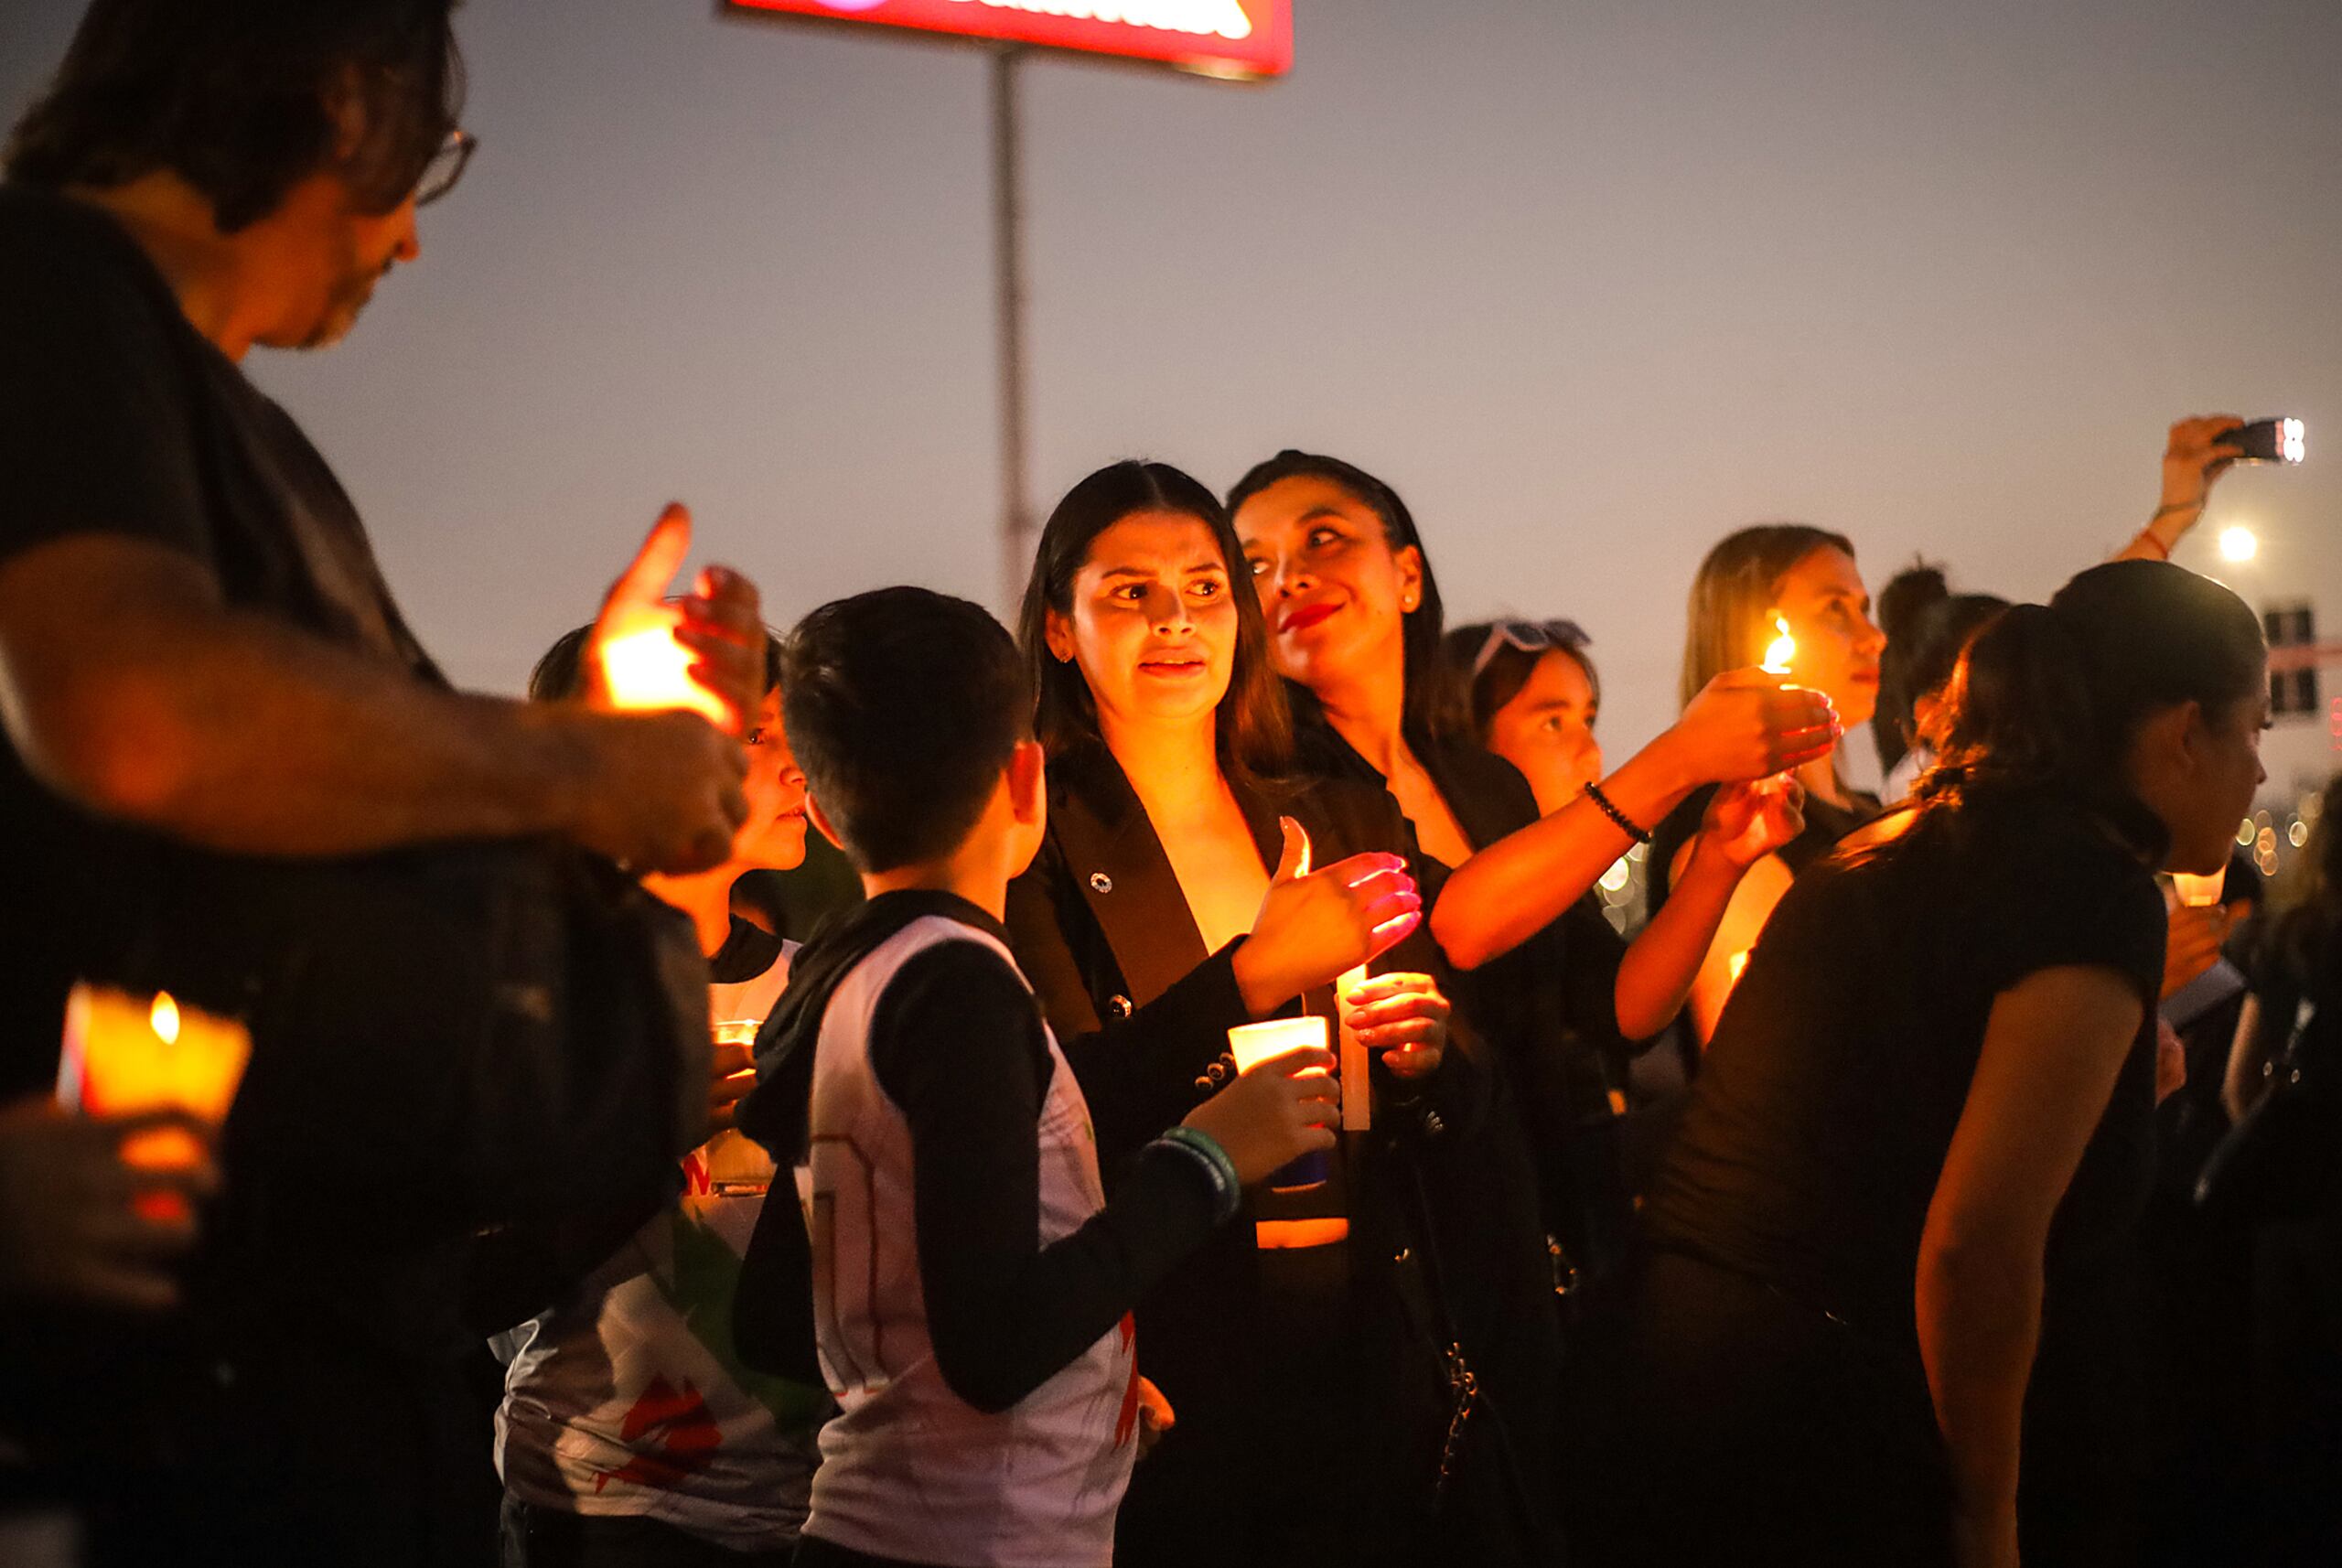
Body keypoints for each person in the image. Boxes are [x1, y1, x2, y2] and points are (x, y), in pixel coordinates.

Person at [0, 4, 763, 1560]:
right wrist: (570, 762)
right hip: (154, 1429)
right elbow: (138, 706)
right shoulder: (49, 288)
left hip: (313, 1391)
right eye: (430, 165)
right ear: (344, 111)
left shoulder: (233, 425)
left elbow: (329, 798)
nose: (411, 241)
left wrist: (624, 740)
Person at [1562, 559, 2269, 1568]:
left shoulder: (1906, 842)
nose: (2253, 772)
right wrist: (1985, 1518)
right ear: (2184, 732)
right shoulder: (2088, 886)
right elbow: (1974, 1247)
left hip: (1669, 1374)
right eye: (2252, 733)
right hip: (1808, 1432)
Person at [734, 586, 1338, 1568]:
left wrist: (1082, 1371)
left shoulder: (847, 979)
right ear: (1025, 779)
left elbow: (776, 1314)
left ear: (825, 813)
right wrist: (1210, 1154)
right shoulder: (959, 985)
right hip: (969, 1546)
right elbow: (994, 1347)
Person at [1001, 461, 1534, 1566]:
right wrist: (1241, 979)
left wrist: (1429, 1055)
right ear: (1059, 629)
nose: (1174, 621)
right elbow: (1059, 1114)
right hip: (1176, 1377)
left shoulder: (1333, 817)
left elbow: (1469, 1092)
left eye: (1204, 588)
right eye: (1129, 592)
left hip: (1367, 1364)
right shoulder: (1031, 847)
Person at [1230, 452, 1828, 1287]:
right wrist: (1678, 761)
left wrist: (1722, 858)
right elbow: (1460, 926)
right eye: (1253, 562)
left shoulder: (1483, 785)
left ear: (1407, 574)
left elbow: (1623, 1007)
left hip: (1554, 1211)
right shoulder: (1281, 792)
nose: (1290, 576)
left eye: (1322, 538)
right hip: (1419, 1236)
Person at [490, 628, 825, 1568]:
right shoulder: (541, 994)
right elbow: (465, 1281)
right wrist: (646, 1145)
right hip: (603, 1507)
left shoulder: (822, 987)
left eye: (792, 725)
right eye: (758, 735)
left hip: (813, 1506)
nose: (799, 761)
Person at [1648, 521, 1888, 1046]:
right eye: (1834, 609)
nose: (1875, 638)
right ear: (1762, 633)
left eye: (1863, 608)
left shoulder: (1870, 812)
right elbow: (1754, 1063)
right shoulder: (1731, 833)